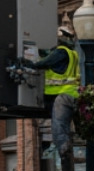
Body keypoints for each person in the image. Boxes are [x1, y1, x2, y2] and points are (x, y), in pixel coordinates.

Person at [30, 25, 81, 156]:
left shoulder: (61, 52)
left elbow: (43, 63)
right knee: (58, 122)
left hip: (61, 95)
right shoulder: (72, 53)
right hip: (69, 94)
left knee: (58, 124)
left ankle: (62, 148)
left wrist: (28, 62)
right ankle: (56, 145)